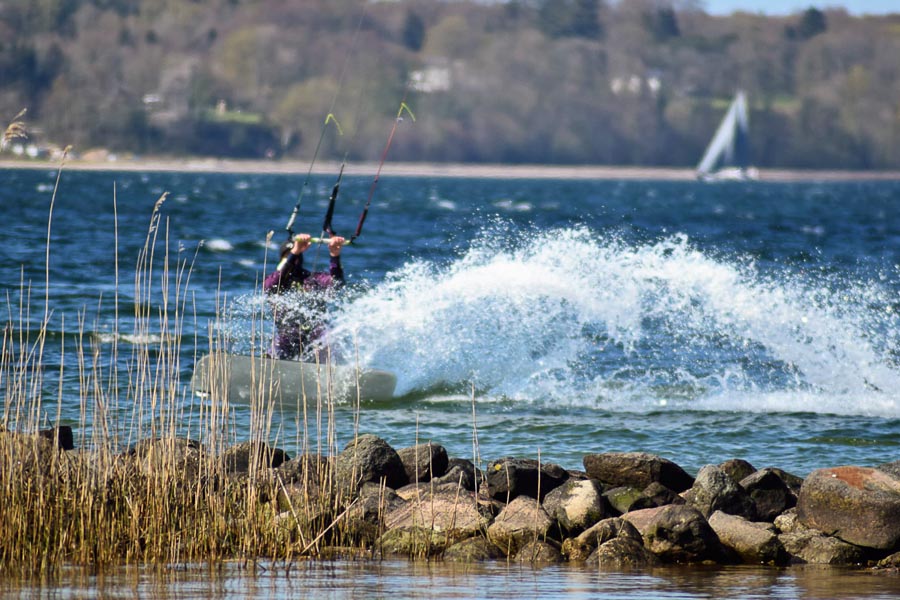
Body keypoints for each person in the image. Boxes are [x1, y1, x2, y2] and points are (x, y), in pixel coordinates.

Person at [264, 233, 345, 361]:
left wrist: (334, 256)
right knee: (275, 351)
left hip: (315, 335)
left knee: (328, 336)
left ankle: (331, 372)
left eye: (298, 255)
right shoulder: (274, 280)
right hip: (288, 336)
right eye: (290, 256)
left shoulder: (313, 278)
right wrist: (295, 252)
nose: (295, 259)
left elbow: (337, 285)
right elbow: (271, 285)